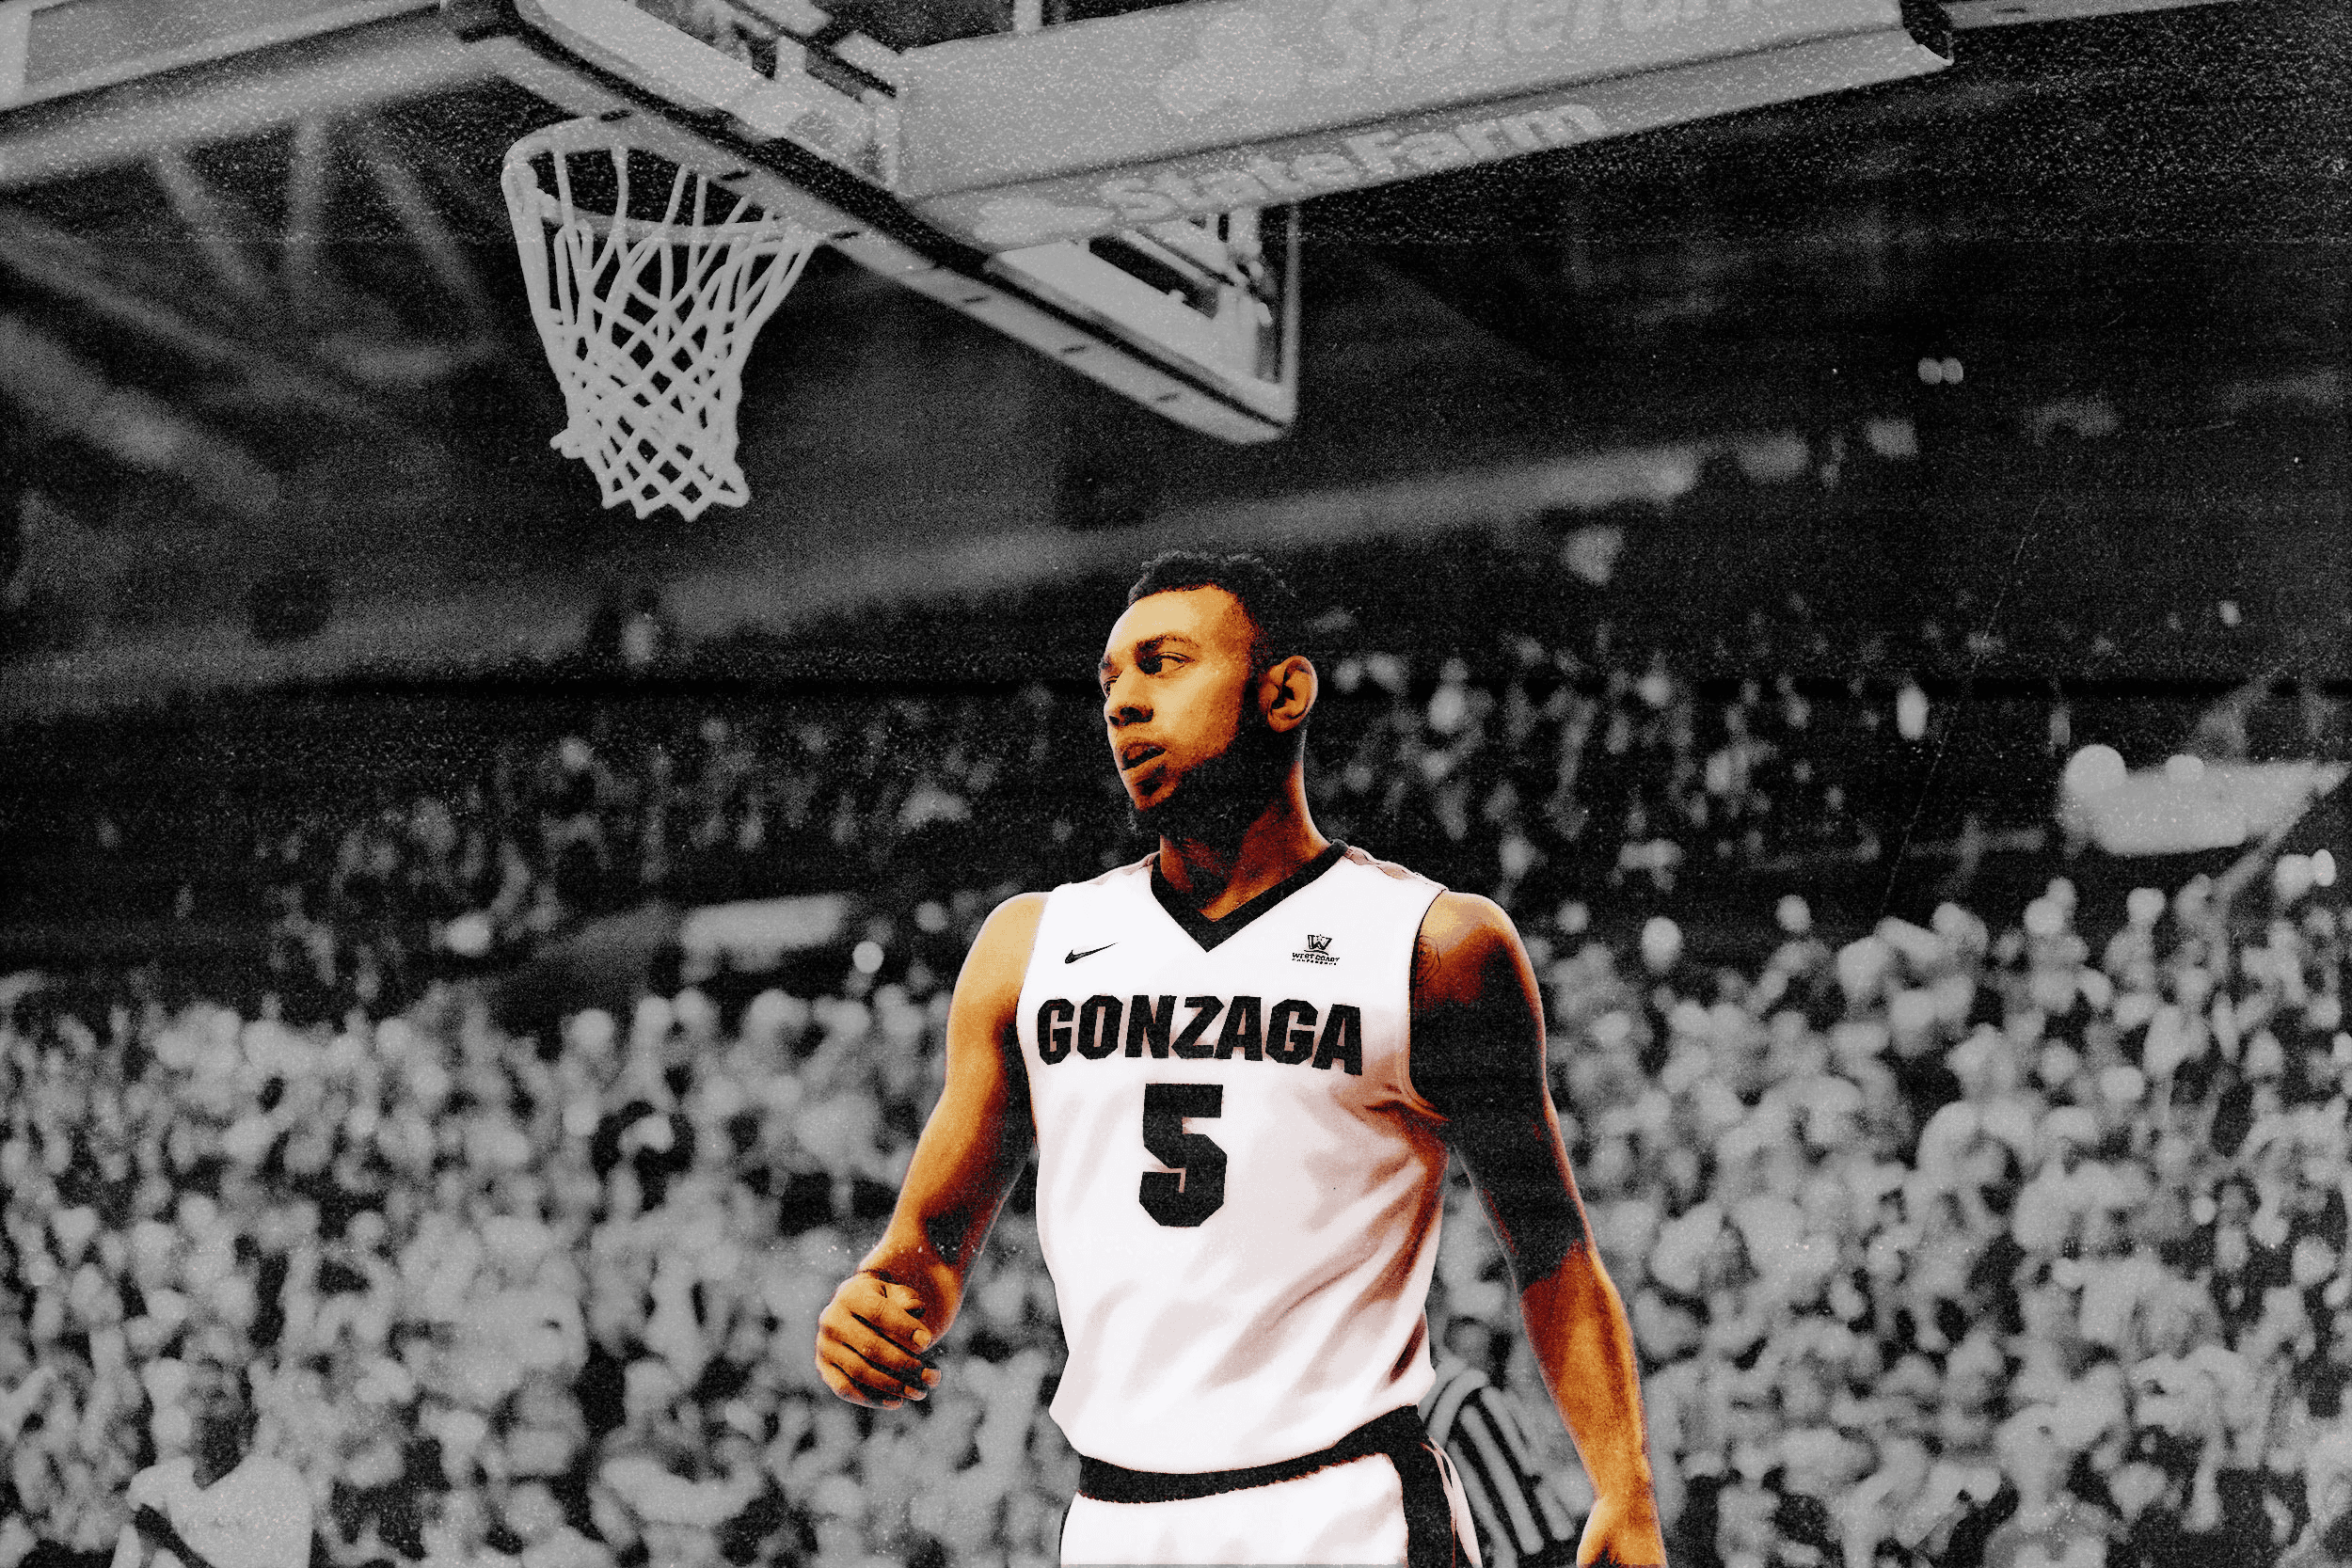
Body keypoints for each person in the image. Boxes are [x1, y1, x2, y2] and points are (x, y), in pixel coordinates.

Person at [817, 551, 1667, 1567]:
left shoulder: (1434, 943)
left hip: (1345, 1506)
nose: (1124, 701)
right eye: (1110, 680)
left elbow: (1551, 1245)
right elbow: (923, 1250)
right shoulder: (1028, 946)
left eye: (1163, 663)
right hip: (1114, 1518)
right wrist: (873, 1305)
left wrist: (1624, 1486)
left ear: (1284, 691)